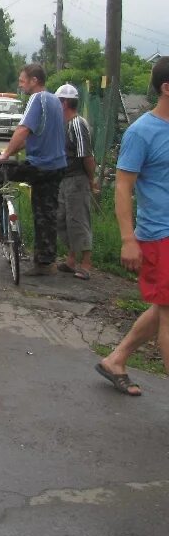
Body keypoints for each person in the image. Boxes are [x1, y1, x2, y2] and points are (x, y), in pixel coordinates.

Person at [95, 56, 169, 397]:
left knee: (161, 307)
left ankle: (117, 359)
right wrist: (128, 239)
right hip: (159, 234)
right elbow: (123, 186)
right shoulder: (142, 132)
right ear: (166, 89)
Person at [0, 64, 66, 276]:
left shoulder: (37, 99)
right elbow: (40, 135)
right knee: (45, 213)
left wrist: (6, 153)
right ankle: (45, 263)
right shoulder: (55, 101)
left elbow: (24, 129)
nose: (20, 83)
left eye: (22, 80)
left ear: (34, 80)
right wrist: (19, 147)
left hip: (39, 165)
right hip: (57, 166)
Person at [54, 83, 98, 280]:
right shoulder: (63, 124)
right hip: (65, 178)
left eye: (58, 101)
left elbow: (86, 156)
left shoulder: (77, 124)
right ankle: (71, 259)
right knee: (63, 218)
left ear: (64, 103)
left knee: (79, 219)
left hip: (77, 179)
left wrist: (91, 179)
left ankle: (86, 263)